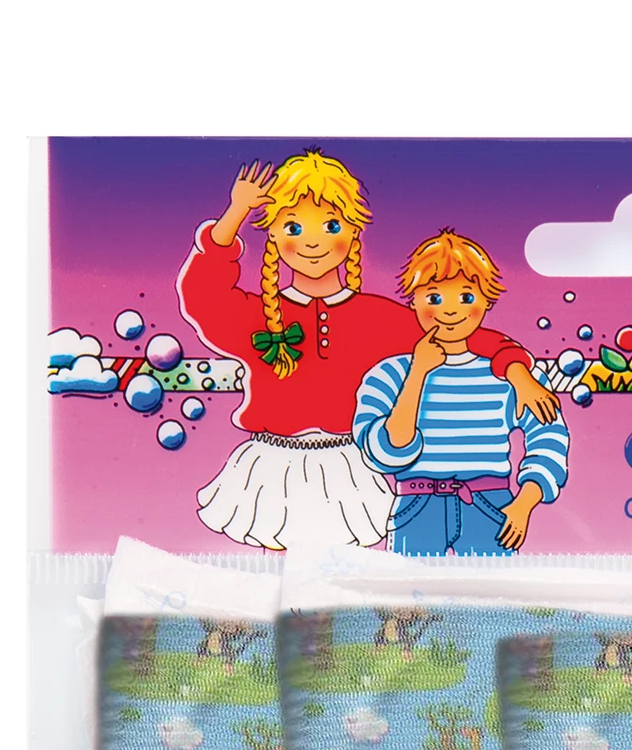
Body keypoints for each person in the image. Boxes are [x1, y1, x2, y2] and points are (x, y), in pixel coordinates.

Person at [177, 155, 557, 552]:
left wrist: (517, 372)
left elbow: (458, 334)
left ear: (353, 232)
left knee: (349, 573)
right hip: (273, 463)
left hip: (349, 464)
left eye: (331, 226)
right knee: (274, 569)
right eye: (294, 227)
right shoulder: (255, 315)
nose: (312, 242)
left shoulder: (381, 319)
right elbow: (203, 297)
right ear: (272, 234)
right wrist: (236, 213)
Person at [353, 230, 570, 557]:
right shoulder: (389, 375)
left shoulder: (513, 377)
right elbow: (385, 454)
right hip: (416, 505)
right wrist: (418, 373)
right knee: (405, 590)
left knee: (498, 590)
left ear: (486, 302)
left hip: (490, 505)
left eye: (466, 297)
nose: (450, 311)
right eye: (434, 298)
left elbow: (548, 437)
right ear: (413, 301)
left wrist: (524, 503)